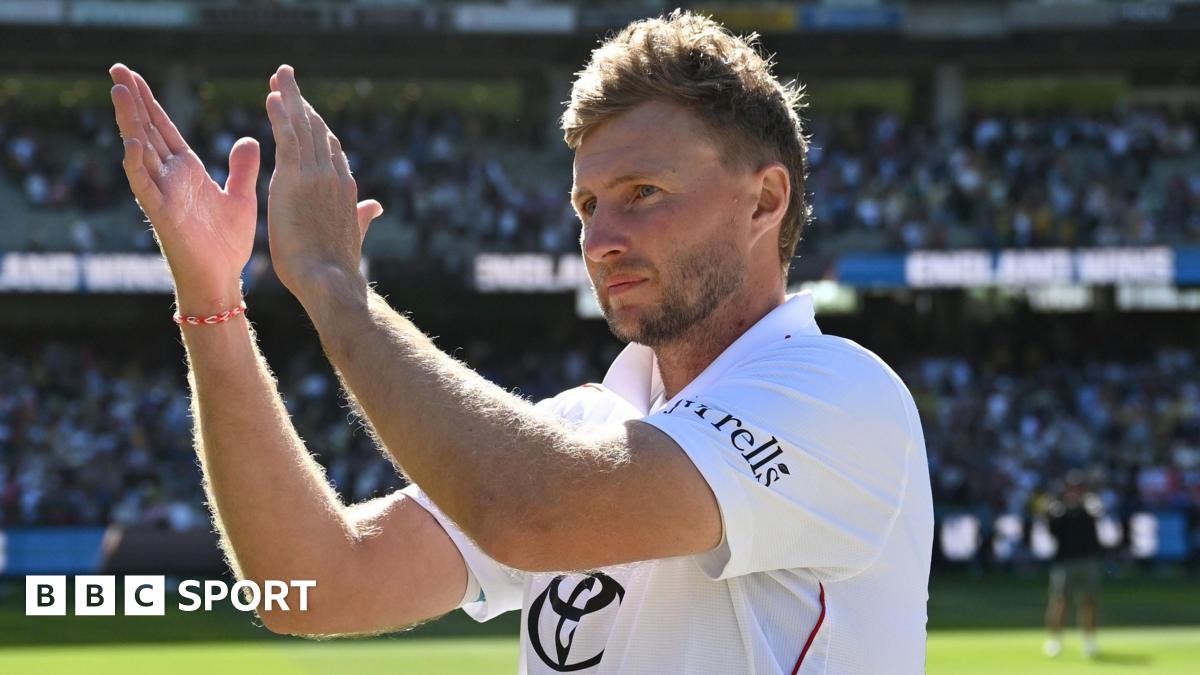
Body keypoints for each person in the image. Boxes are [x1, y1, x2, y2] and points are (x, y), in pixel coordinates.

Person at [109, 11, 932, 674]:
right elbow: (317, 586)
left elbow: (535, 511)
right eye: (586, 206)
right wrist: (214, 300)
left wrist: (336, 290)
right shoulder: (585, 425)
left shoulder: (841, 394)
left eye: (643, 193)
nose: (601, 238)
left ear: (765, 201)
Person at [1042, 470, 1105, 659]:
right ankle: (1055, 640)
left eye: (1079, 488)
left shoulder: (1090, 506)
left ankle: (1089, 641)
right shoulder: (1059, 508)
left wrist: (1087, 507)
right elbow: (1052, 532)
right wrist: (1050, 513)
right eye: (1072, 488)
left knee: (1089, 601)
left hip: (1088, 559)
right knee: (1060, 601)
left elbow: (1097, 518)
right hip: (1065, 561)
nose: (1075, 491)